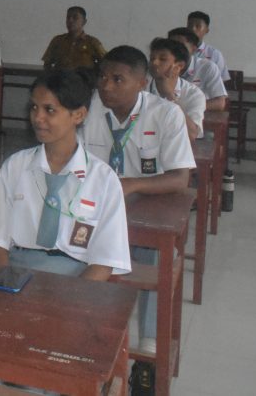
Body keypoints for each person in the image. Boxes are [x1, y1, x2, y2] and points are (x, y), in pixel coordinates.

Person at [80, 46, 194, 387]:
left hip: (146, 205)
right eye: (103, 77)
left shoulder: (165, 114)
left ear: (142, 84)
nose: (106, 85)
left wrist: (131, 184)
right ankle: (87, 339)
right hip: (97, 206)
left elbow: (180, 178)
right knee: (74, 250)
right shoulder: (88, 109)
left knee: (152, 257)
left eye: (118, 79)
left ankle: (147, 350)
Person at [0, 70, 130, 280]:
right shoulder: (16, 166)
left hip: (77, 278)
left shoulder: (103, 179)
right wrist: (6, 285)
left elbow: (104, 262)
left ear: (78, 115)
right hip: (17, 272)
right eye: (34, 107)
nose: (38, 118)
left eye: (49, 110)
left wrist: (70, 297)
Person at [147, 37, 206, 141]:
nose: (154, 63)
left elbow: (192, 135)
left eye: (162, 59)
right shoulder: (140, 87)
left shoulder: (193, 94)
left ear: (179, 66)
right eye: (152, 58)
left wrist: (170, 95)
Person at [168, 27, 227, 111]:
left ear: (193, 49)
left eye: (181, 46)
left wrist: (186, 108)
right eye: (171, 46)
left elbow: (219, 103)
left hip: (198, 115)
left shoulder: (207, 67)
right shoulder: (161, 67)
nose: (175, 50)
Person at [41, 6, 107, 74]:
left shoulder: (92, 42)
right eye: (68, 17)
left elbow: (106, 62)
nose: (70, 20)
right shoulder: (57, 41)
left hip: (83, 79)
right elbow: (47, 64)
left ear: (84, 22)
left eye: (75, 18)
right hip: (60, 78)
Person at [186, 11, 229, 82]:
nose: (193, 29)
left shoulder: (214, 54)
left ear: (206, 30)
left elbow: (221, 82)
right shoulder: (178, 50)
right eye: (190, 25)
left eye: (198, 26)